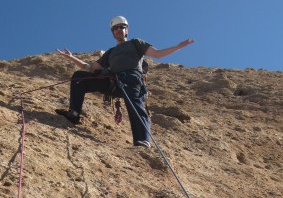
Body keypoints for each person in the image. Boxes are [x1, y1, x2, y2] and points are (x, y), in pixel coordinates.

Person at [56, 16, 194, 148]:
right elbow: (90, 67)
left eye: (121, 27)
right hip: (113, 81)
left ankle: (142, 140)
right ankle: (74, 114)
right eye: (115, 28)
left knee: (135, 106)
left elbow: (157, 54)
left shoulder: (136, 43)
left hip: (132, 79)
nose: (118, 30)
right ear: (113, 32)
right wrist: (72, 58)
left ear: (126, 30)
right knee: (79, 77)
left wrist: (178, 47)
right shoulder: (111, 52)